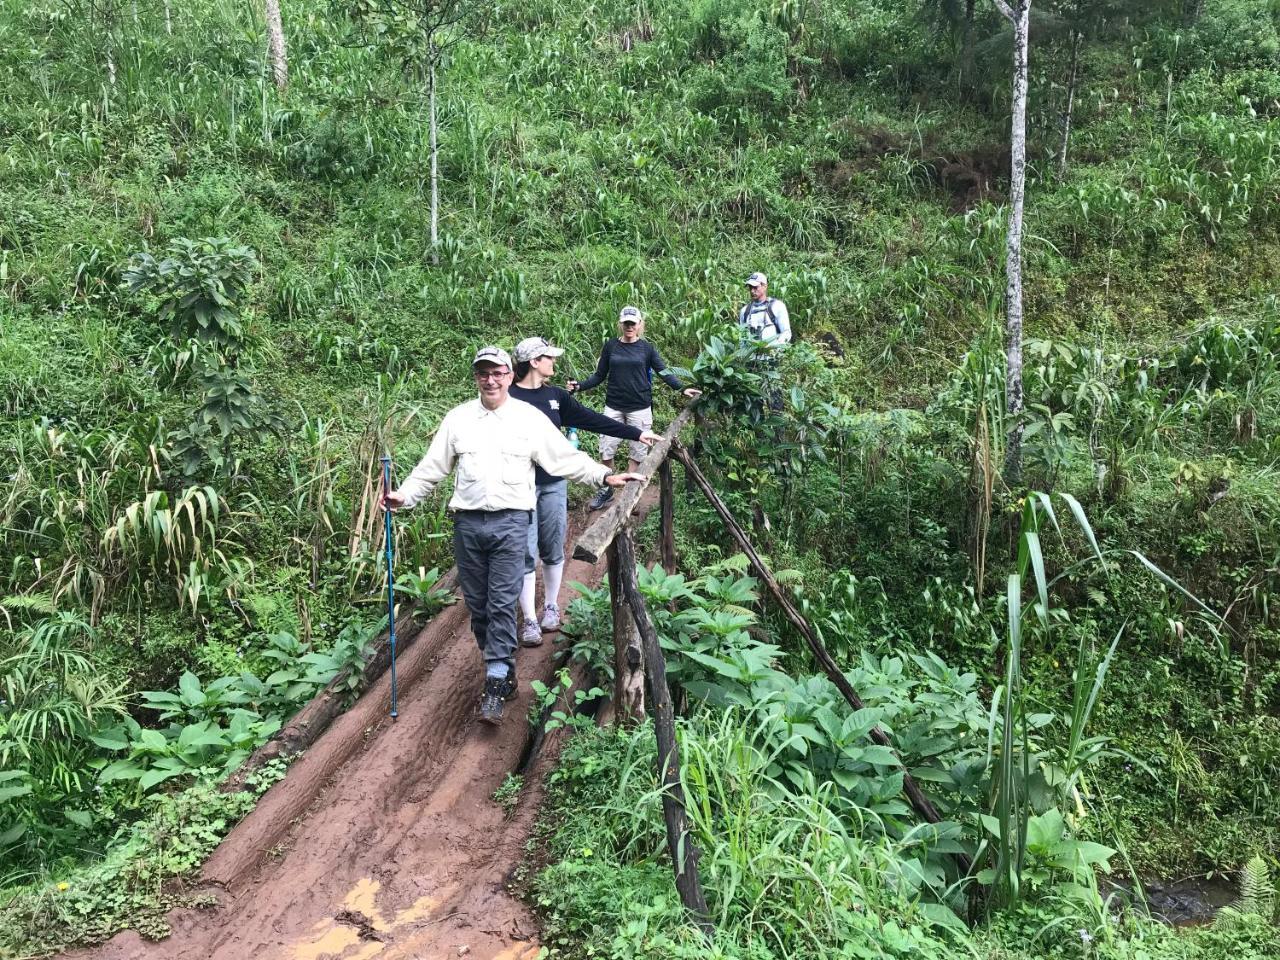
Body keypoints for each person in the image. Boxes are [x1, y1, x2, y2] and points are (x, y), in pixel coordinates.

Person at [382, 346, 642, 725]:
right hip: (468, 525)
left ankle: (496, 678)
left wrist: (603, 475)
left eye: (497, 373)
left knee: (502, 600)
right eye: (483, 373)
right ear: (477, 377)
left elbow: (561, 457)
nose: (491, 380)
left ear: (509, 375)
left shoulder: (528, 419)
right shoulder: (458, 419)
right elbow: (431, 468)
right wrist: (402, 496)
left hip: (512, 522)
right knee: (479, 606)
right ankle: (502, 670)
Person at [509, 336, 662, 643]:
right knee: (524, 553)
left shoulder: (555, 397)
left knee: (552, 546)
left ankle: (550, 607)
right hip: (516, 487)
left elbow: (591, 420)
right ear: (534, 362)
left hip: (552, 482)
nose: (554, 361)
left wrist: (636, 432)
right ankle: (528, 619)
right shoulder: (508, 397)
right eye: (549, 357)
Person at [568, 306, 700, 511]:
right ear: (621, 324)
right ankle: (606, 490)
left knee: (637, 452)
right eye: (626, 323)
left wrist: (681, 388)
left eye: (633, 323)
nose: (629, 326)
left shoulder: (646, 348)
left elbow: (663, 371)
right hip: (614, 406)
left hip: (639, 407)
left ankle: (628, 498)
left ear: (639, 325)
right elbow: (599, 375)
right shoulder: (611, 346)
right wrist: (580, 386)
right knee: (606, 449)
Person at [738, 272, 792, 348]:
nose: (752, 291)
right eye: (750, 287)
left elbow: (786, 333)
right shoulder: (744, 311)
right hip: (751, 358)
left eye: (755, 287)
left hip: (773, 356)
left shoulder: (777, 306)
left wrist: (774, 348)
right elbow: (742, 339)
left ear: (765, 286)